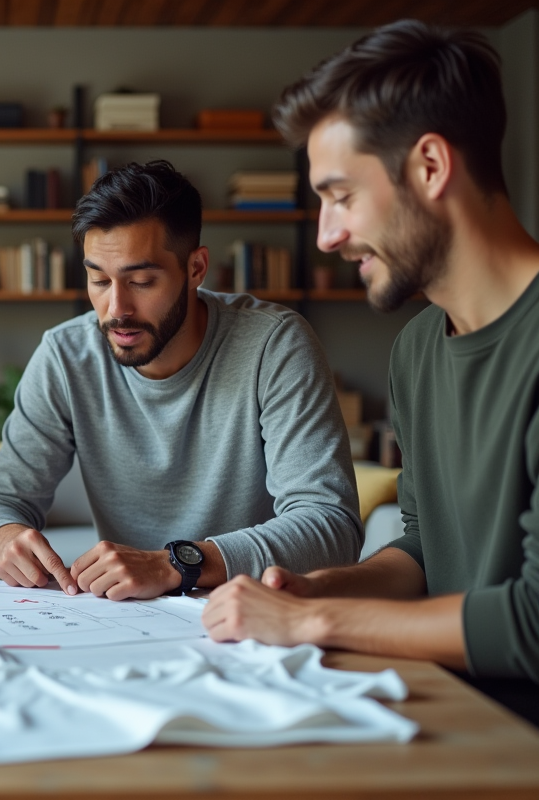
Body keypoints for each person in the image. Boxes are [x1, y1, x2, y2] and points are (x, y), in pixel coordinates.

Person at [201, 21, 539, 722]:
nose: (327, 235)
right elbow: (424, 550)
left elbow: (533, 623)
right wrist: (320, 590)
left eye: (340, 196)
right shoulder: (419, 349)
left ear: (430, 167)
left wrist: (313, 625)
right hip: (442, 706)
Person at [0, 159, 362, 599]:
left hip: (256, 613)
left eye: (141, 281)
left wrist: (176, 563)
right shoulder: (65, 357)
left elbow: (332, 527)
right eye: (99, 280)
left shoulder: (275, 346)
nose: (116, 308)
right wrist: (1, 539)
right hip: (126, 621)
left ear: (196, 268)